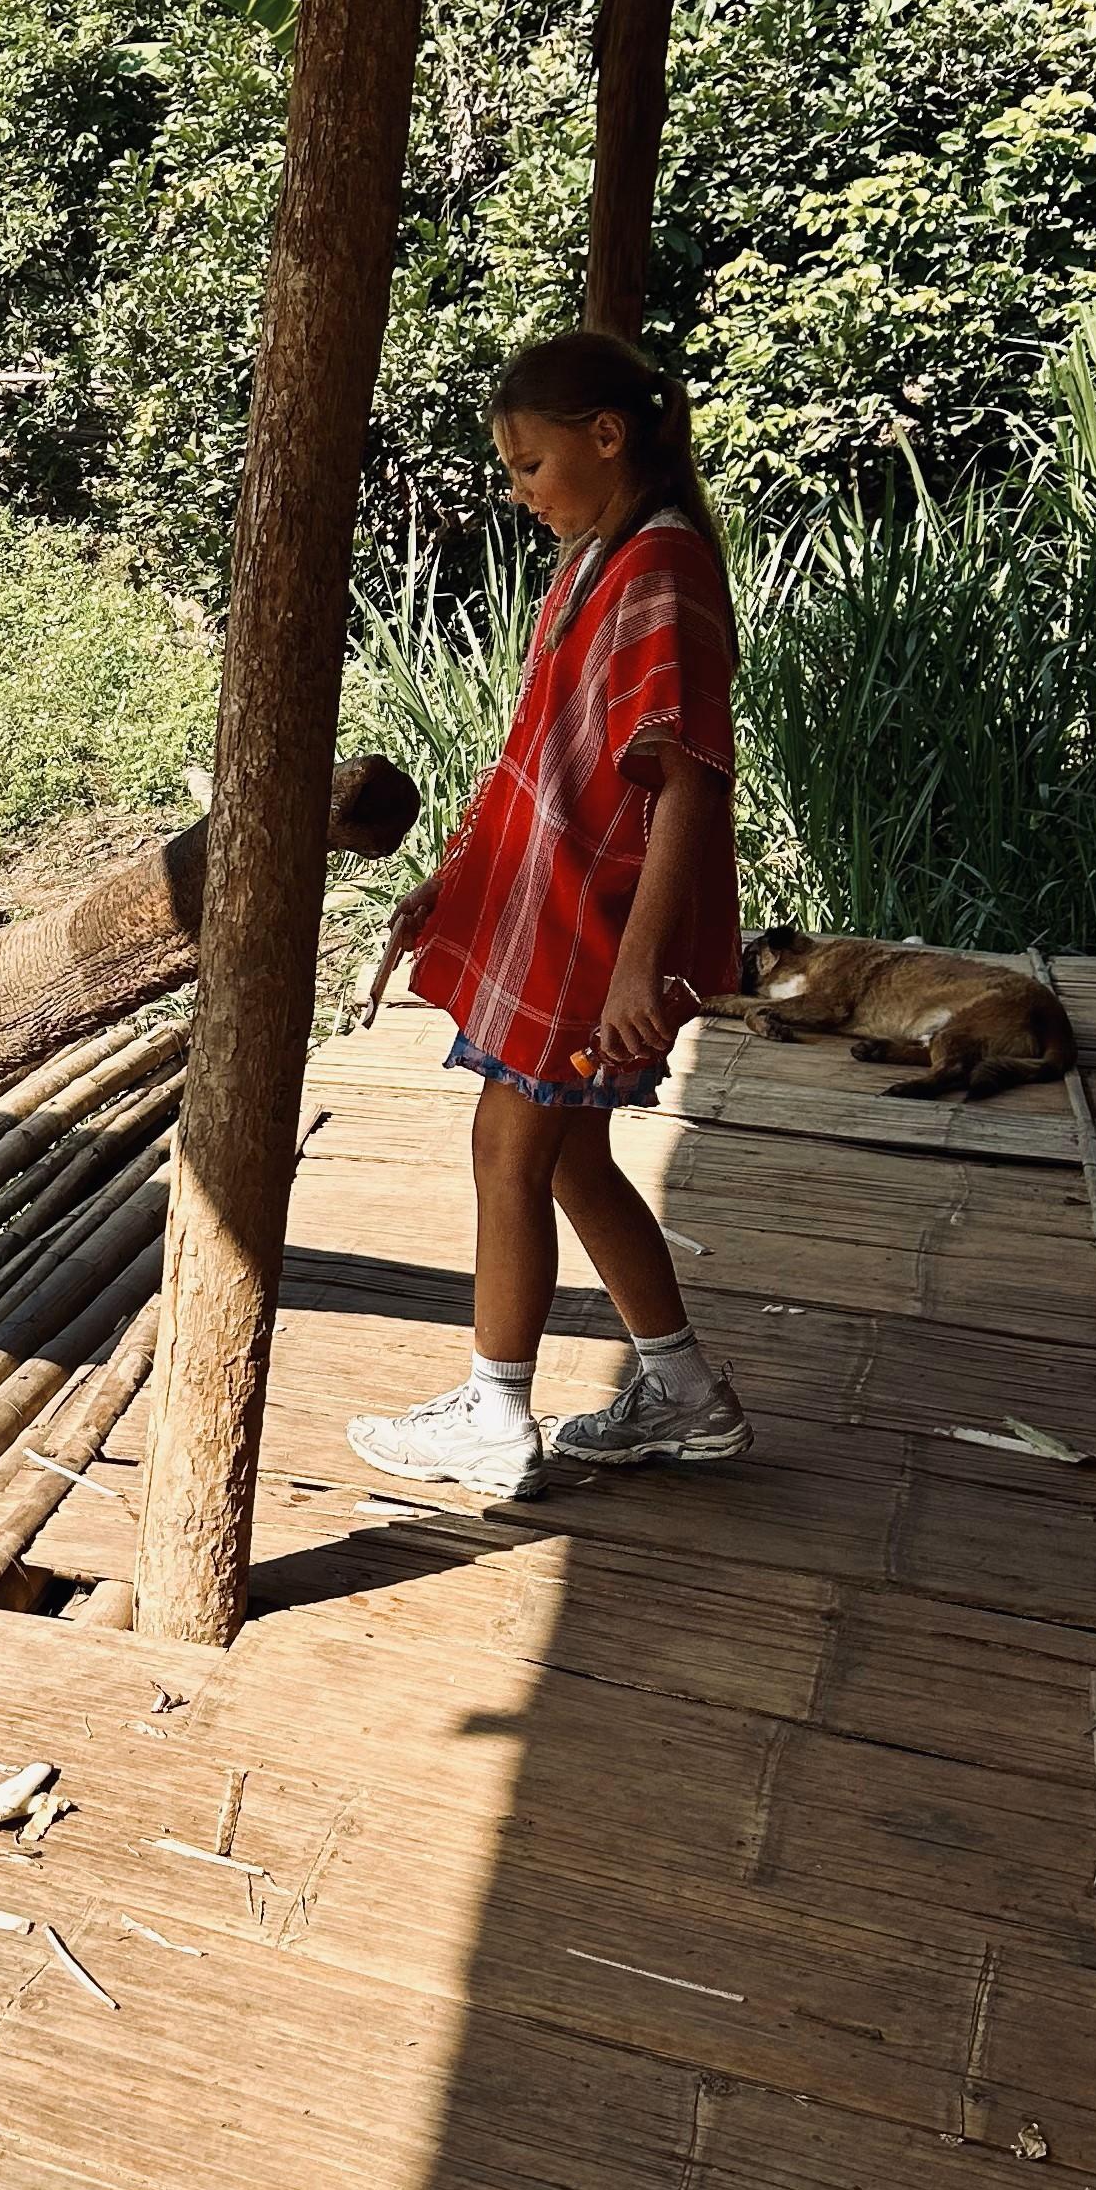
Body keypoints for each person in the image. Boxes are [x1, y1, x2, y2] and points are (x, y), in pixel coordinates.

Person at [352, 326, 747, 1502]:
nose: (520, 491)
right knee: (570, 1154)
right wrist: (454, 877)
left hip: (597, 922)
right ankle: (683, 1392)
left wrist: (637, 971)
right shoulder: (601, 556)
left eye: (528, 465)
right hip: (557, 904)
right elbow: (547, 749)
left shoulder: (661, 571)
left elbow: (683, 789)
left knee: (507, 1145)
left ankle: (493, 1411)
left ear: (607, 436)